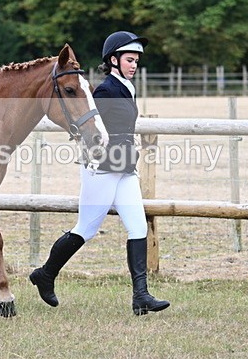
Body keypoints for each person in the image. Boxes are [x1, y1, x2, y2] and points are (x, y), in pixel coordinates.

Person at [29, 30, 170, 315]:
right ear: (113, 60)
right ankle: (45, 274)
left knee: (138, 227)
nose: (134, 65)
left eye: (136, 61)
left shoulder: (127, 87)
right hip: (103, 169)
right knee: (86, 228)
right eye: (129, 60)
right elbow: (92, 130)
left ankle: (141, 296)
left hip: (125, 168)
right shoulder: (105, 90)